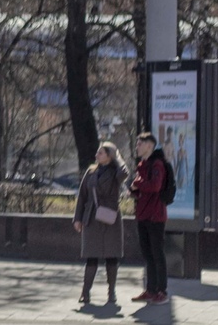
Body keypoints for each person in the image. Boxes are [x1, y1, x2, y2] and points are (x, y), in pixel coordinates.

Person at [75, 141, 127, 310]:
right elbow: (82, 196)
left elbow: (125, 173)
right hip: (91, 217)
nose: (97, 156)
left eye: (101, 153)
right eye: (97, 153)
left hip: (110, 217)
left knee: (111, 256)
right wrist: (78, 219)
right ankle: (85, 292)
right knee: (91, 256)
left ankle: (111, 292)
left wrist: (117, 158)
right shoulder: (91, 172)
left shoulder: (115, 173)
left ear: (109, 156)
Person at [131, 130, 175, 303]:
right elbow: (143, 188)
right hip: (143, 214)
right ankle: (150, 289)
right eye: (137, 144)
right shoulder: (143, 164)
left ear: (149, 146)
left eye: (140, 144)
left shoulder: (157, 164)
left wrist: (138, 183)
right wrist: (134, 190)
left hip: (156, 215)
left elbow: (155, 187)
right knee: (148, 254)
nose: (137, 147)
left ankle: (161, 291)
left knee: (157, 254)